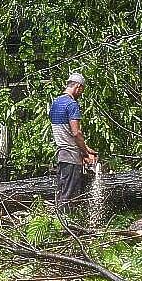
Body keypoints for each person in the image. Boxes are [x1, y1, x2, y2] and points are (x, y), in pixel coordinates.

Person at [49, 72, 98, 207]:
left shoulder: (55, 103)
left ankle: (59, 222)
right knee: (69, 196)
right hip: (71, 156)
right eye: (81, 90)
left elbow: (65, 132)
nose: (81, 93)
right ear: (77, 86)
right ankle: (67, 224)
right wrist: (85, 153)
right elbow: (76, 133)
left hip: (61, 154)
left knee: (62, 192)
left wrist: (86, 148)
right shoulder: (71, 104)